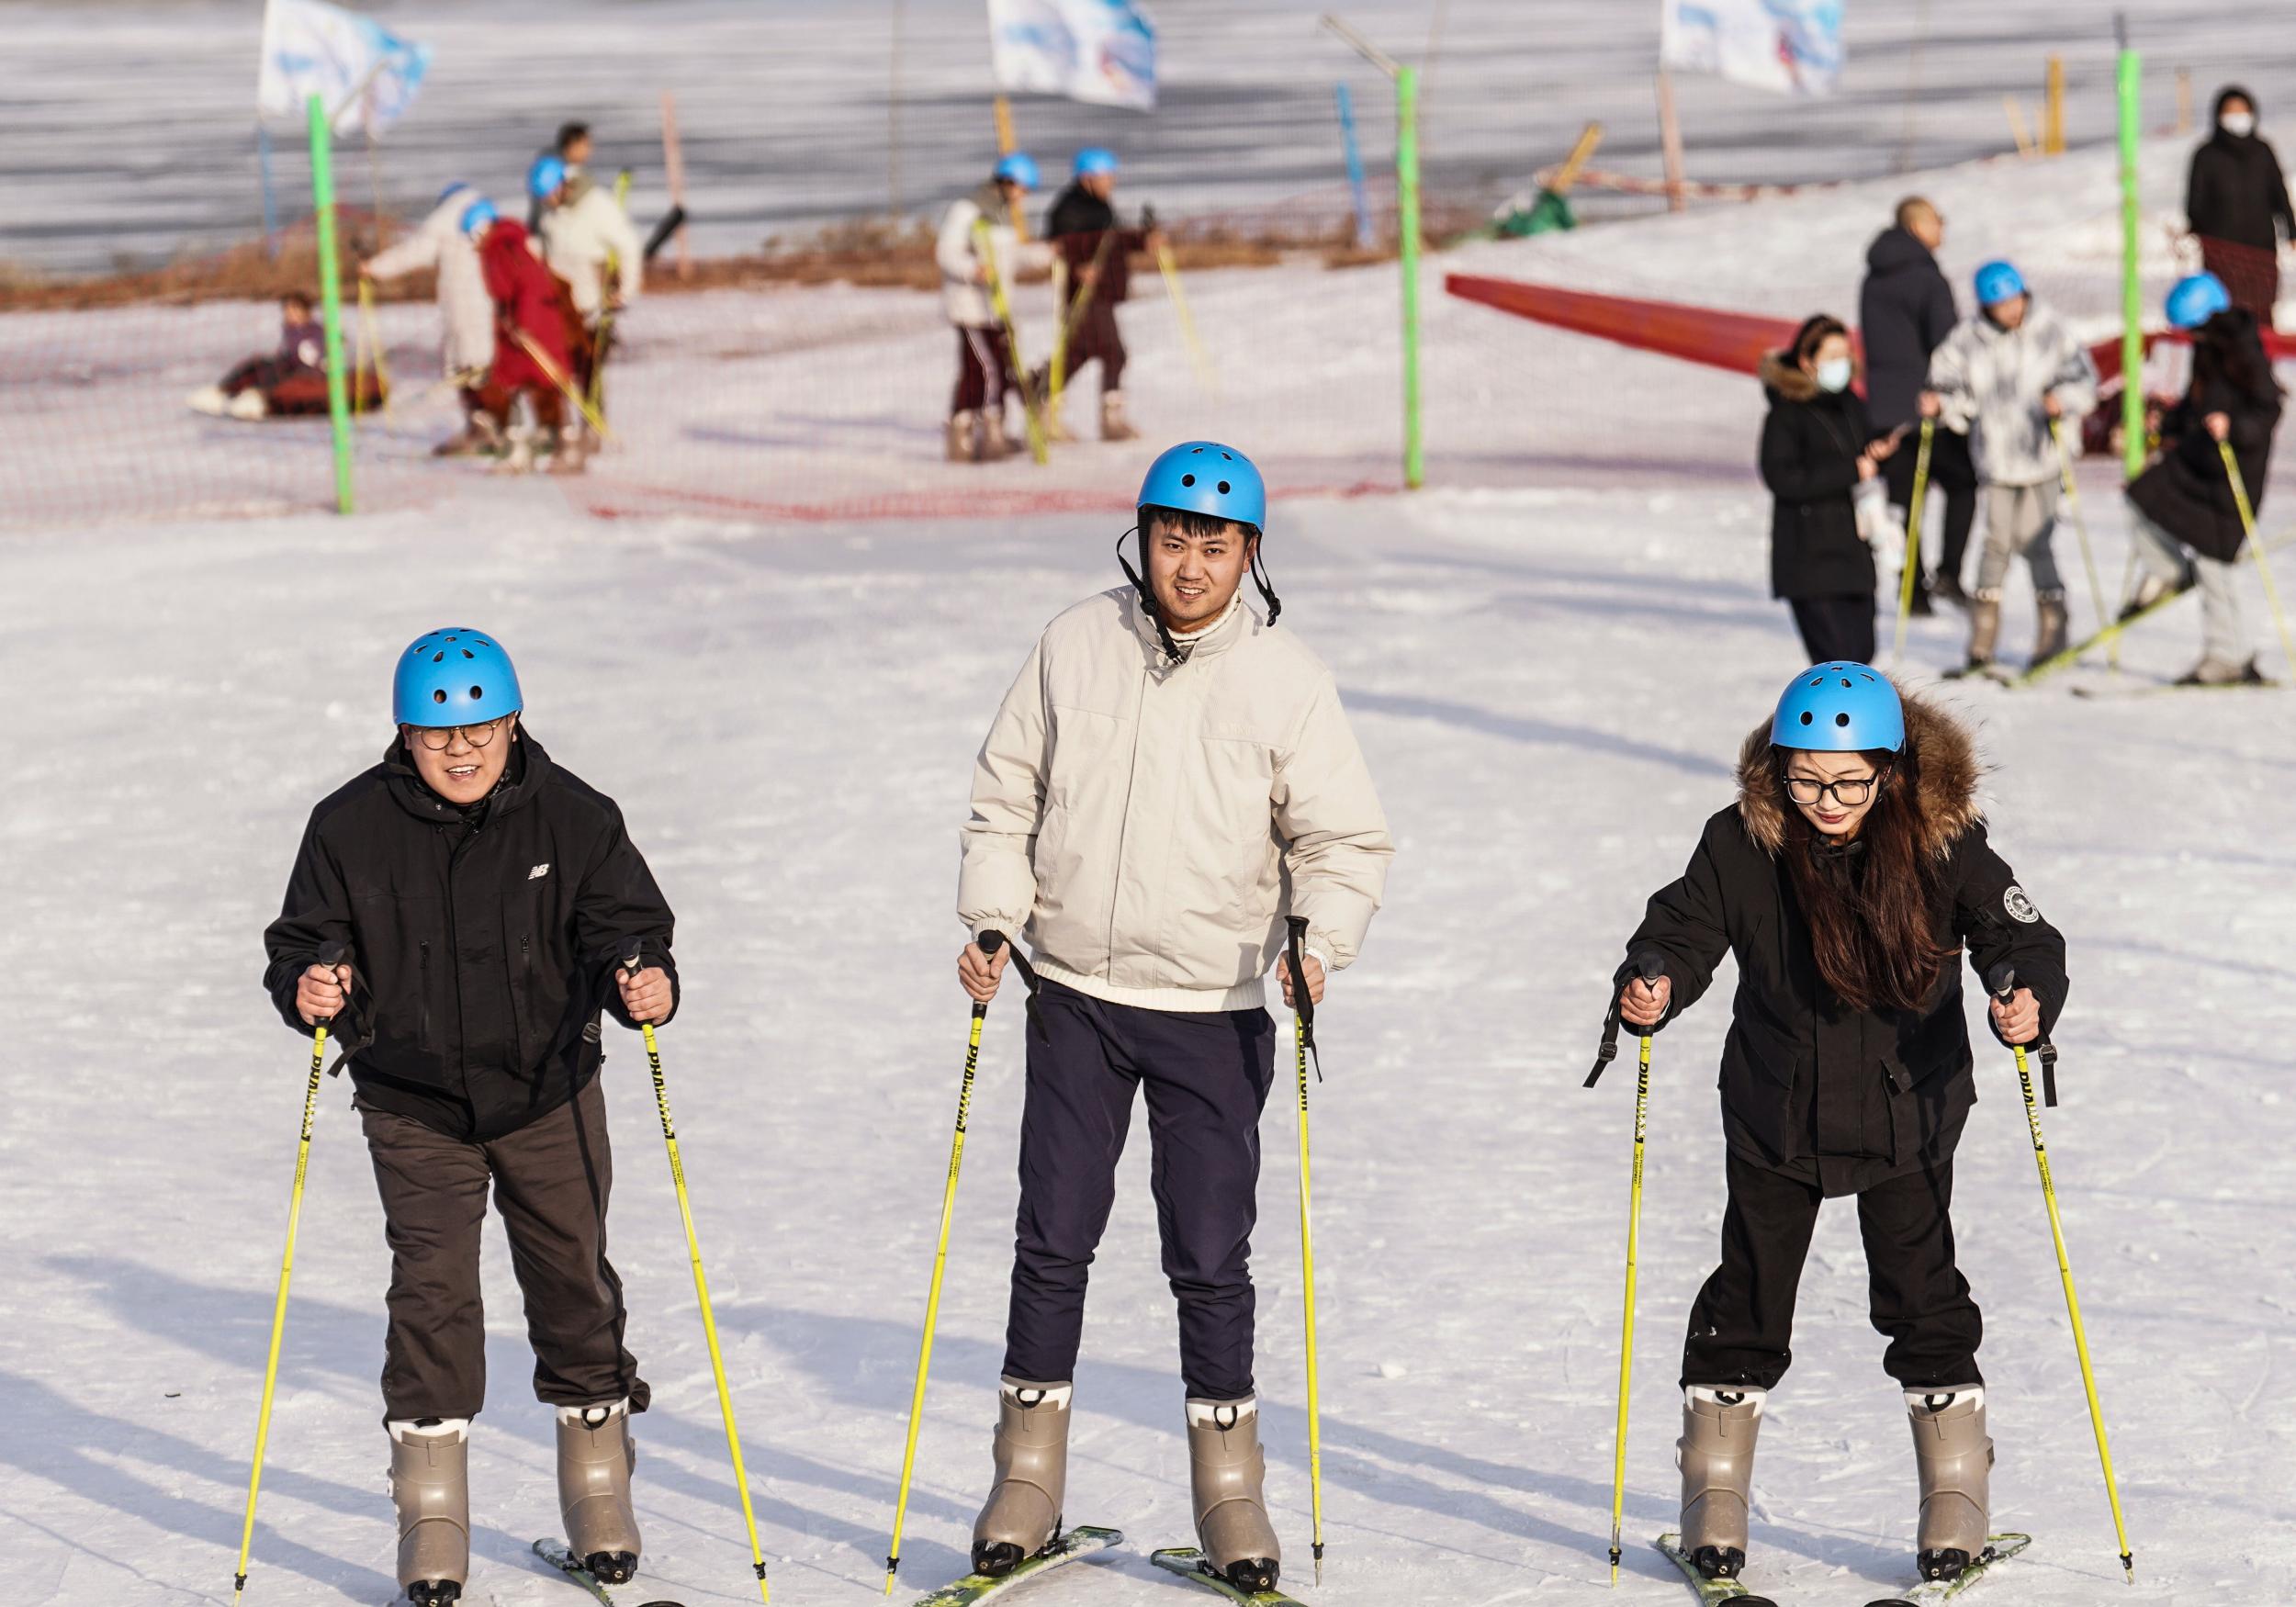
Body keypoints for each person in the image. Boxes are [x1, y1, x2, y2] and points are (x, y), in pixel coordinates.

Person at [955, 442, 1392, 1593]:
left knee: (1208, 1253)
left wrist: (1319, 944)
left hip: (1214, 1008)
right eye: (1172, 537)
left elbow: (1339, 842)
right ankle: (1027, 1474)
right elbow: (1007, 795)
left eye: (1216, 543)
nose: (1190, 563)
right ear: (1139, 537)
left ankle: (1229, 1491)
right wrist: (996, 916)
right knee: (1052, 1238)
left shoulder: (1283, 676)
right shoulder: (1073, 642)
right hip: (1078, 998)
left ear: (1249, 554)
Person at [1600, 664, 2067, 1590]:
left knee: (1921, 1293)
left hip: (1909, 1113)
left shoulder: (1944, 842)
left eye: (1848, 782)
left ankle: (1955, 1501)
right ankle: (1714, 1497)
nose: (1826, 801)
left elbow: (2021, 936)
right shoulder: (1741, 843)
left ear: (1889, 773)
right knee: (1749, 1292)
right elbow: (1683, 927)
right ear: (1777, 770)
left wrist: (2023, 996)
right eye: (1806, 779)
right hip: (1776, 1113)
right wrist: (1652, 973)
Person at [261, 629, 680, 1607]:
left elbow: (623, 921)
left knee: (573, 1275)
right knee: (433, 1293)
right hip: (413, 1102)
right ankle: (434, 1513)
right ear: (403, 735)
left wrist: (639, 974)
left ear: (513, 721)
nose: (462, 752)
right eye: (437, 734)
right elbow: (304, 936)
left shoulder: (575, 817)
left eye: (481, 729)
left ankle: (597, 1487)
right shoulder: (348, 826)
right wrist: (310, 982)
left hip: (548, 1089)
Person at [1921, 260, 2099, 673]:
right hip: (1997, 460)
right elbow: (1951, 387)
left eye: (2016, 300)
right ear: (1987, 306)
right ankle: (1981, 645)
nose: (2012, 310)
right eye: (2002, 305)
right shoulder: (1968, 340)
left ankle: (2053, 635)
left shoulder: (2050, 330)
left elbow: (2085, 382)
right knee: (1997, 542)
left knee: (2036, 541)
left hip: (2043, 456)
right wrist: (1940, 403)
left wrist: (2062, 399)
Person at [2124, 271, 2286, 684]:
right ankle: (2169, 570)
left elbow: (2267, 409)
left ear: (2208, 320)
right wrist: (2167, 422)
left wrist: (2231, 424)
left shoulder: (2243, 350)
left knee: (2216, 564)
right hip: (2202, 463)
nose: (2190, 338)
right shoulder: (2211, 346)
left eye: (2193, 330)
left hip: (2234, 472)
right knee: (2141, 496)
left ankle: (2227, 657)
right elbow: (2199, 402)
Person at [1758, 315, 1901, 665]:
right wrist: (1849, 470)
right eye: (1832, 355)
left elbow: (1866, 454)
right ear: (1808, 362)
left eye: (1846, 353)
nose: (1843, 363)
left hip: (1853, 552)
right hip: (1809, 561)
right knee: (1834, 662)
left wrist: (1882, 452)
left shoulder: (1852, 404)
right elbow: (1782, 478)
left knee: (1862, 657)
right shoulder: (1786, 414)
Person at [1859, 197, 1978, 610]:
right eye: (1938, 220)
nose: (1943, 228)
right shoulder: (1927, 277)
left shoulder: (1873, 276)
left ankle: (1912, 589)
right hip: (1927, 405)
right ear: (1918, 224)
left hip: (1885, 408)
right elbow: (1947, 344)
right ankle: (1948, 573)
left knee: (1907, 501)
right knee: (1964, 482)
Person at [361, 181, 501, 455]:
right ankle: (490, 425)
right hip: (485, 310)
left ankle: (486, 428)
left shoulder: (445, 225)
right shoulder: (485, 220)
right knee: (480, 366)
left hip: (464, 311)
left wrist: (374, 268)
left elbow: (412, 253)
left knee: (469, 367)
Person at [1035, 147, 1161, 443]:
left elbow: (1110, 242)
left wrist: (1143, 239)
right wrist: (1078, 267)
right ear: (1088, 178)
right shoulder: (1069, 209)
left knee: (1078, 354)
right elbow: (1061, 247)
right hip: (1085, 297)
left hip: (1102, 293)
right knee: (1112, 351)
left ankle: (1039, 396)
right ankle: (1109, 420)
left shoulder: (1100, 207)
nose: (1111, 182)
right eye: (1106, 176)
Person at [936, 152, 1052, 463]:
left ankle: (974, 431)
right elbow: (946, 252)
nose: (1022, 197)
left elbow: (1011, 257)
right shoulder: (968, 209)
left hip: (996, 308)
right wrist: (973, 269)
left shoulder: (1002, 214)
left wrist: (1046, 255)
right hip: (970, 307)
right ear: (1008, 182)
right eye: (1022, 189)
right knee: (988, 369)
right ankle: (987, 432)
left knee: (988, 369)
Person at [465, 197, 586, 474]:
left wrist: (525, 325)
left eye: (472, 236)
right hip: (516, 333)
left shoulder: (505, 249)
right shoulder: (501, 248)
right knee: (509, 386)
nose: (472, 245)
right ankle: (519, 449)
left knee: (543, 385)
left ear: (482, 229)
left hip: (532, 334)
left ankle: (564, 446)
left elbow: (531, 287)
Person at [531, 153, 642, 421]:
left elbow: (628, 247)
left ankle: (591, 427)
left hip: (592, 306)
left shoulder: (597, 207)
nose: (546, 202)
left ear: (562, 185)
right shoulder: (552, 215)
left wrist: (626, 291)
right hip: (558, 305)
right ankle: (559, 427)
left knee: (588, 370)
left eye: (548, 195)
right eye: (542, 198)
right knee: (552, 369)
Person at [2184, 86, 2293, 321]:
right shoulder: (2206, 155)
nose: (2237, 117)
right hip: (2222, 251)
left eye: (2242, 111)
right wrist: (2200, 230)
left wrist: (2291, 230)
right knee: (2225, 309)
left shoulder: (2263, 151)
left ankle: (2263, 353)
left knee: (2261, 308)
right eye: (2230, 111)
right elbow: (2195, 202)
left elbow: (2279, 193)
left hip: (2260, 247)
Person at [187, 292, 330, 421]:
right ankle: (223, 391)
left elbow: (313, 359)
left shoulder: (315, 333)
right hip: (288, 366)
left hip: (306, 374)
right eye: (287, 310)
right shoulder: (290, 331)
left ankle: (258, 398)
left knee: (277, 372)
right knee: (258, 363)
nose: (290, 313)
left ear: (305, 311)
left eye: (294, 309)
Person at [531, 120, 595, 232]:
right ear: (573, 145)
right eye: (586, 145)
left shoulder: (555, 165)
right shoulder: (554, 170)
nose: (589, 150)